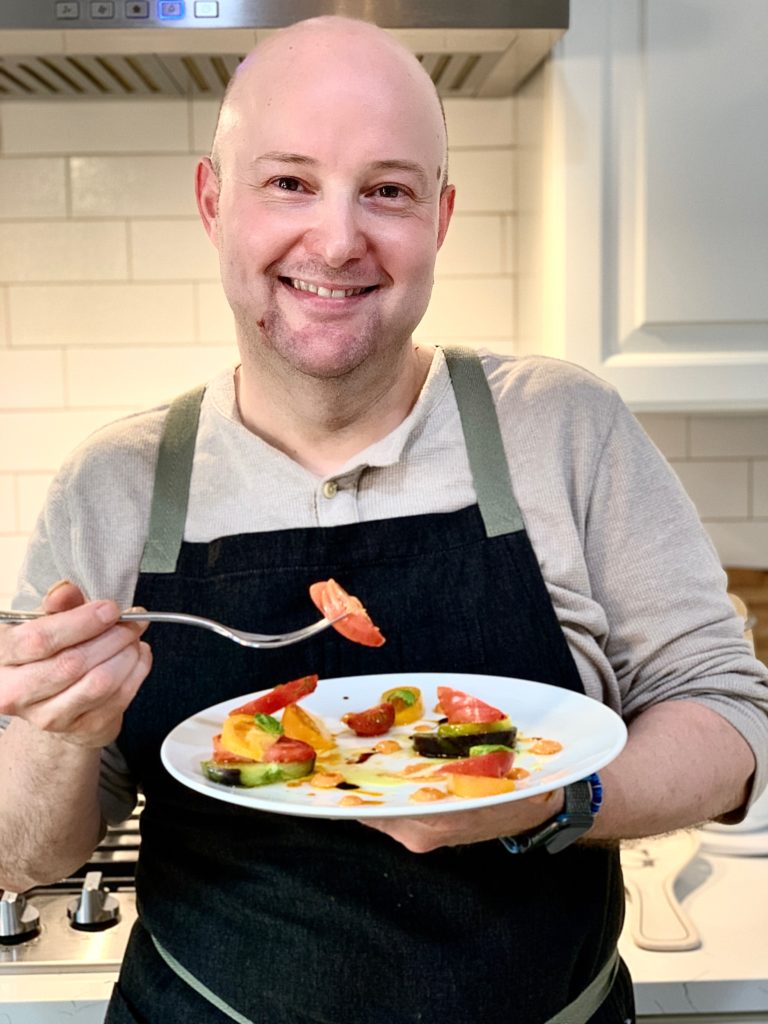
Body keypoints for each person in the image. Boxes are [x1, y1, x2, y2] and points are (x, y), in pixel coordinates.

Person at [1, 15, 766, 1024]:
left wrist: (556, 800)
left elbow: (732, 720)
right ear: (212, 201)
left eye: (389, 190)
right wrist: (61, 731)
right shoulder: (116, 486)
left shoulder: (563, 428)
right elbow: (25, 848)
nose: (336, 238)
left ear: (440, 217)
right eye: (289, 182)